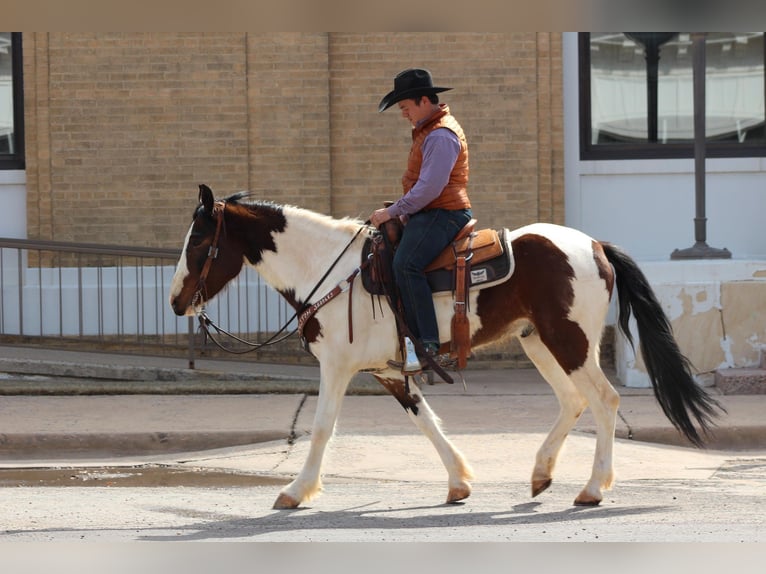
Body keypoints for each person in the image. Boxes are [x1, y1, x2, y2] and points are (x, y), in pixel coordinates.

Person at [369, 68, 472, 373]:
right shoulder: (430, 130)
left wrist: (392, 212)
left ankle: (427, 344)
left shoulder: (441, 135)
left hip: (444, 213)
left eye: (405, 107)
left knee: (405, 264)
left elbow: (430, 188)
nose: (403, 114)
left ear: (424, 100)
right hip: (433, 211)